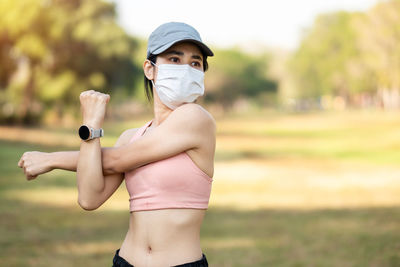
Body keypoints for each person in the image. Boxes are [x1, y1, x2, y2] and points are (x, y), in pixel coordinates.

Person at [18, 22, 215, 267]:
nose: (186, 69)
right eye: (174, 59)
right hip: (125, 262)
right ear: (150, 69)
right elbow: (89, 198)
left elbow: (116, 160)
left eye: (195, 63)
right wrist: (90, 124)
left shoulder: (196, 118)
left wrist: (51, 159)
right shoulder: (130, 137)